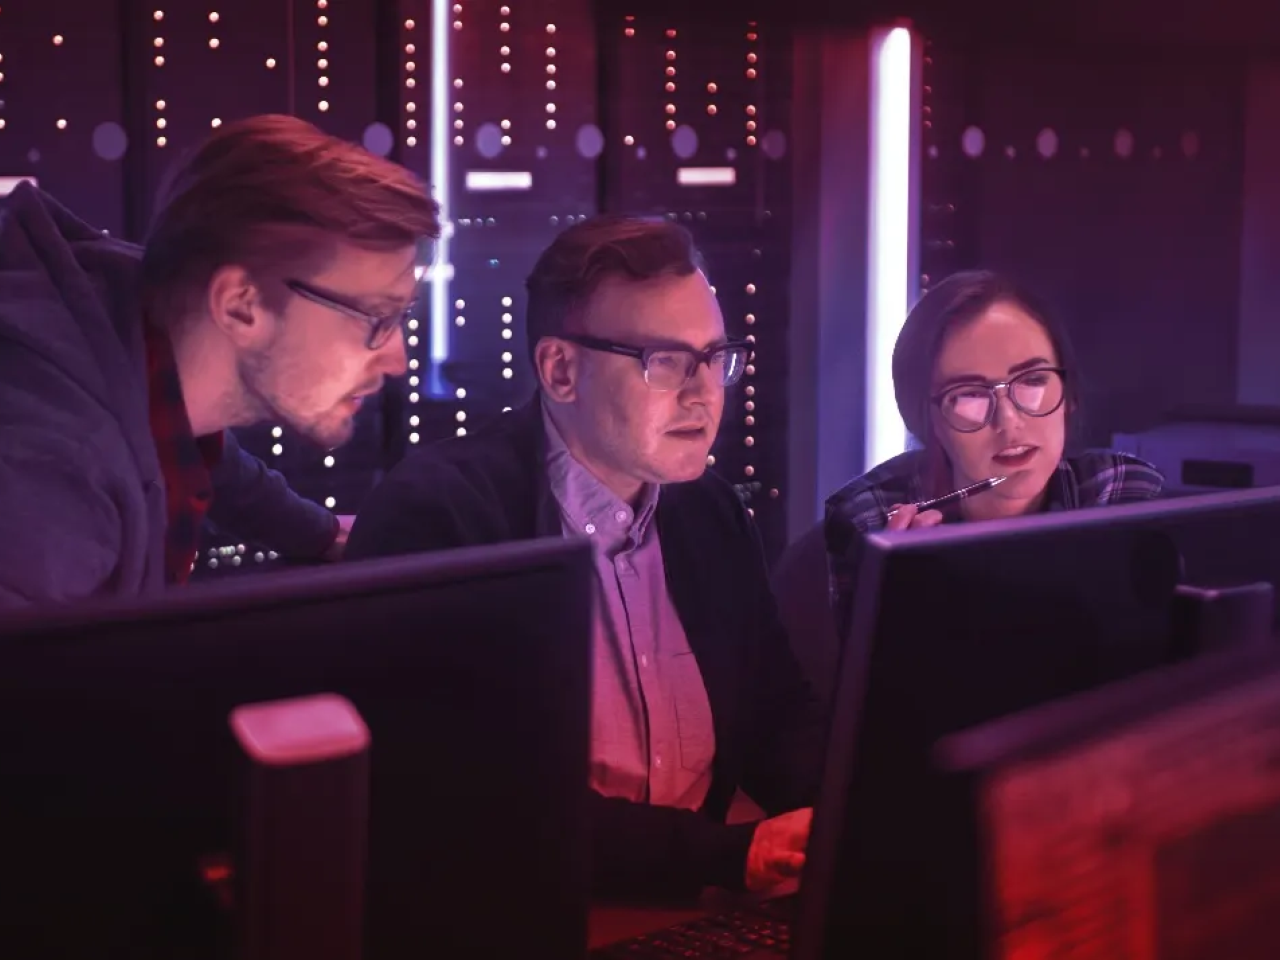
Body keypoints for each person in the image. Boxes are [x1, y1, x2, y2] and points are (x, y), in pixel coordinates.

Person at [346, 215, 826, 898]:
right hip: (515, 920)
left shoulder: (709, 512)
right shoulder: (443, 517)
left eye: (715, 357)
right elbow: (481, 805)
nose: (704, 392)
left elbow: (777, 718)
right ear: (560, 370)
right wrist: (728, 855)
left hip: (689, 909)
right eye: (665, 362)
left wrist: (850, 816)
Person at [0, 114, 439, 608]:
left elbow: (217, 467)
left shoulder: (132, 342)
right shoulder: (51, 488)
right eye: (377, 318)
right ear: (240, 306)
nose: (398, 359)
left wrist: (319, 533)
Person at [824, 269, 1165, 636]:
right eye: (969, 394)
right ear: (928, 421)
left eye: (1033, 381)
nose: (1008, 422)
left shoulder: (1122, 494)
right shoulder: (870, 520)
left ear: (1069, 395)